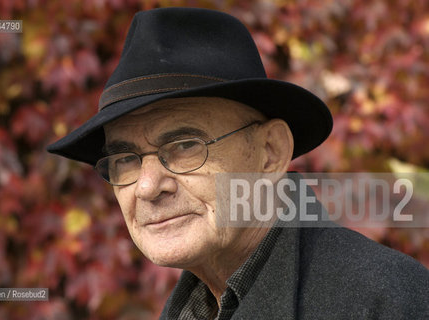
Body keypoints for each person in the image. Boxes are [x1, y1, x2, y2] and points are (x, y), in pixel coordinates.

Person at [47, 7, 429, 319]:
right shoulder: (193, 310)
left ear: (270, 152)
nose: (147, 186)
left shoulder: (387, 300)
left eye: (184, 146)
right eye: (125, 158)